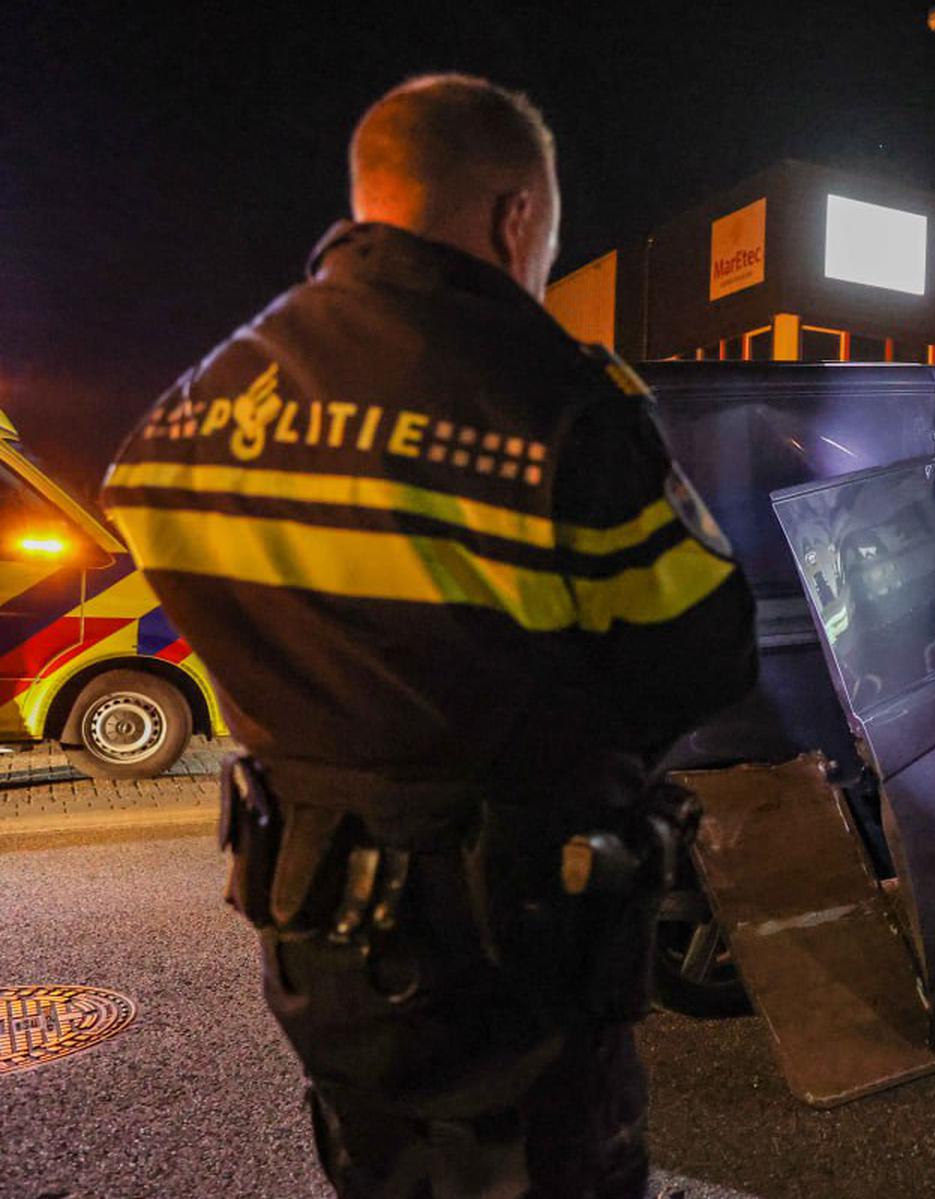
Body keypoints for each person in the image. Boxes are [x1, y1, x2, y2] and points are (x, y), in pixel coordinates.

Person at [100, 74, 756, 1196]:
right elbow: (702, 651)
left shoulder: (205, 402)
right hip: (519, 952)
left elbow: (171, 542)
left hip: (319, 942)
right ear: (514, 217)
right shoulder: (560, 402)